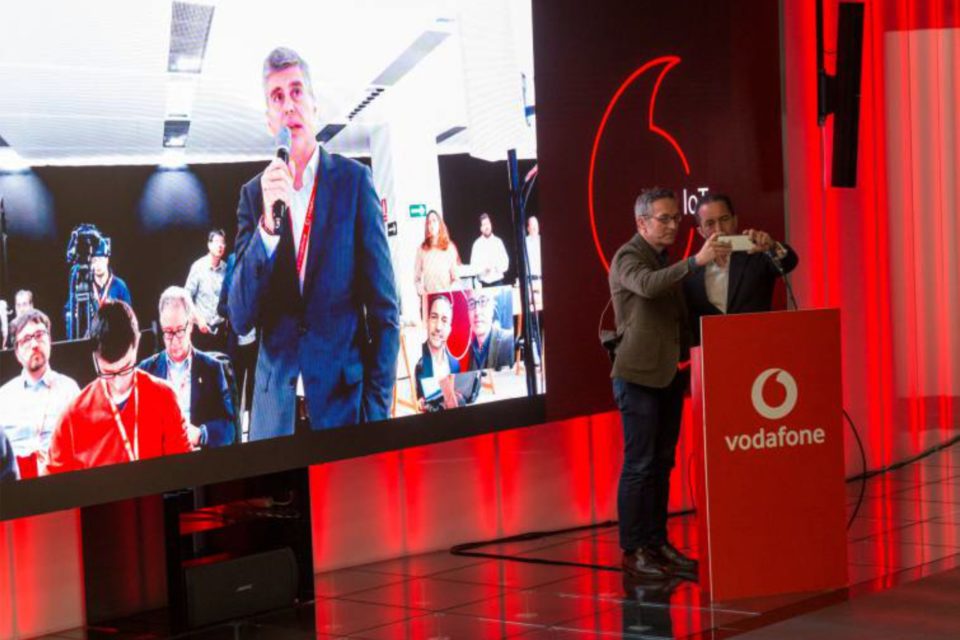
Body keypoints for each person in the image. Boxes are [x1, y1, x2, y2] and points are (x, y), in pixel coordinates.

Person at [229, 47, 399, 440]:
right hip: (275, 420)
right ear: (269, 119)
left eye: (296, 91)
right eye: (277, 97)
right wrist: (266, 230)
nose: (288, 105)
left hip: (345, 411)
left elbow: (386, 312)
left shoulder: (354, 183)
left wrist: (375, 414)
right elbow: (239, 317)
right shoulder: (253, 196)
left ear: (314, 105)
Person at [609, 187, 730, 580]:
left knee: (662, 464)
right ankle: (634, 550)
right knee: (640, 465)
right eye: (665, 218)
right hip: (638, 377)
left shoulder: (664, 259)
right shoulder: (628, 257)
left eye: (676, 218)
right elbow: (647, 285)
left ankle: (657, 543)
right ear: (641, 222)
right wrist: (695, 262)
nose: (674, 225)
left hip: (669, 375)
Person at [46, 301, 192, 474]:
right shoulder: (71, 418)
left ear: (137, 344)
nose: (118, 383)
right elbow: (55, 483)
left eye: (126, 368)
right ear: (94, 358)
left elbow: (184, 473)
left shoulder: (165, 398)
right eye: (107, 373)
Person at [683, 193, 799, 344]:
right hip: (713, 352)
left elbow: (790, 261)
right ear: (701, 231)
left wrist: (772, 246)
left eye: (724, 219)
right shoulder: (691, 271)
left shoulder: (757, 254)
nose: (719, 229)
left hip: (757, 347)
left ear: (735, 221)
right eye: (710, 223)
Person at [138, 287, 236, 448]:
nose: (174, 340)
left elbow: (229, 428)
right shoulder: (146, 370)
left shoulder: (212, 369)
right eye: (168, 332)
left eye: (179, 331)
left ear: (190, 326)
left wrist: (201, 434)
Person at [0, 310, 80, 478]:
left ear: (49, 340)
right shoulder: (4, 397)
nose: (34, 344)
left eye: (39, 335)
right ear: (17, 353)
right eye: (26, 339)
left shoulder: (69, 389)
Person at [414, 294, 462, 410]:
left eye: (444, 320)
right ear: (427, 321)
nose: (438, 327)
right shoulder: (417, 360)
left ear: (449, 329)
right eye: (434, 317)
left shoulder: (455, 364)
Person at [185, 229, 228, 353]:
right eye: (217, 242)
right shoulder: (198, 267)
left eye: (223, 242)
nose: (220, 246)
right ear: (209, 245)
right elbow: (186, 295)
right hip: (201, 329)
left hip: (220, 330)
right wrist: (198, 318)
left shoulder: (226, 268)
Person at [414, 209, 461, 312]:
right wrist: (423, 294)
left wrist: (448, 292)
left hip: (446, 302)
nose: (431, 225)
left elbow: (456, 279)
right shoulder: (421, 249)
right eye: (429, 222)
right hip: (428, 301)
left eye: (434, 221)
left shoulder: (449, 247)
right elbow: (416, 279)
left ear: (440, 224)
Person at [464, 289, 514, 371]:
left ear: (493, 307)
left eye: (483, 301)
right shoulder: (472, 349)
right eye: (471, 303)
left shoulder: (509, 343)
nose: (477, 312)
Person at [470, 213, 509, 287]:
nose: (487, 227)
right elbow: (473, 267)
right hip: (483, 284)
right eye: (484, 225)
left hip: (498, 282)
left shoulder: (498, 242)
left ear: (491, 225)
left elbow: (506, 263)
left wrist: (497, 266)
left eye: (488, 223)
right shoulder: (477, 245)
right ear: (481, 228)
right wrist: (483, 269)